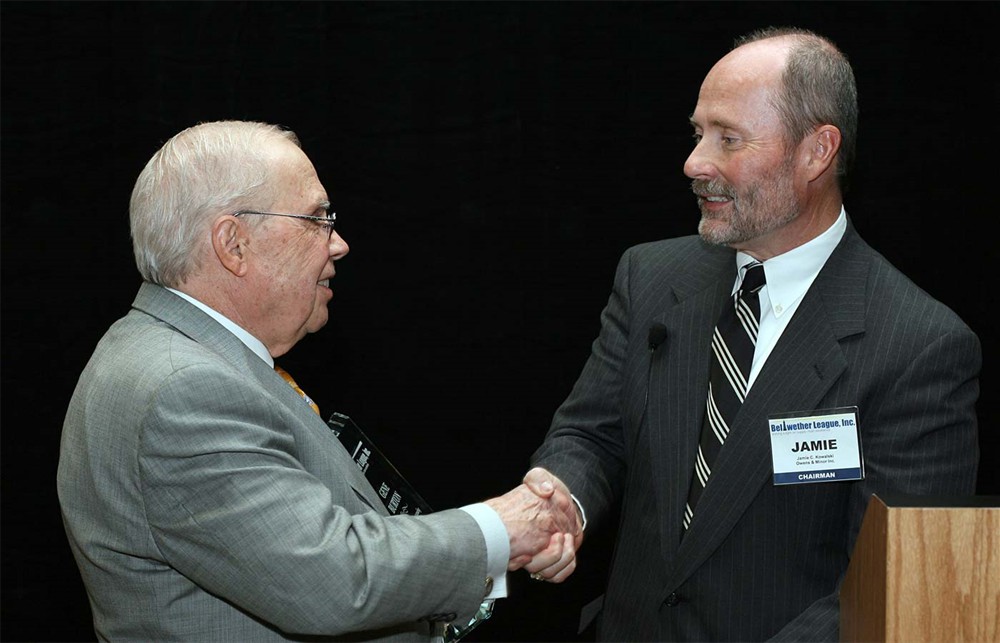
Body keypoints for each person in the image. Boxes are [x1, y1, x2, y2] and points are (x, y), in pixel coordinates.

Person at [524, 26, 981, 641]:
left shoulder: (920, 347)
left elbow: (891, 587)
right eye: (698, 133)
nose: (695, 163)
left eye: (728, 139)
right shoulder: (652, 276)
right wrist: (563, 499)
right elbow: (593, 434)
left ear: (816, 152)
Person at [57, 120, 579, 642]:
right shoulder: (185, 388)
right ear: (233, 244)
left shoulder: (176, 352)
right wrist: (501, 530)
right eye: (317, 219)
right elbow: (334, 580)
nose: (339, 244)